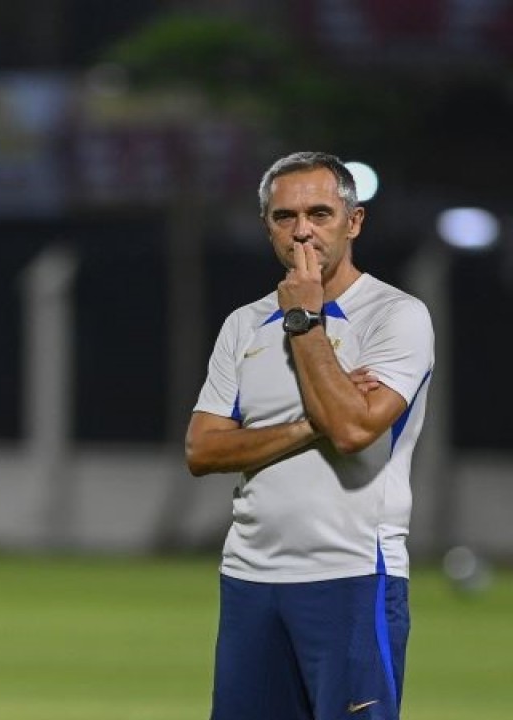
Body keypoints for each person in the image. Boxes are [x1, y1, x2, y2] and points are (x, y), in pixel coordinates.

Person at [186, 152, 434, 720]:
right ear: (267, 225)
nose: (302, 230)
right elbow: (203, 449)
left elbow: (351, 430)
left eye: (319, 213)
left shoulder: (396, 316)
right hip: (250, 579)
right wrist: (306, 423)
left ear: (354, 221)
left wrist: (304, 322)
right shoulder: (243, 324)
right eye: (284, 216)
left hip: (349, 574)